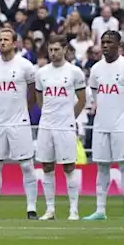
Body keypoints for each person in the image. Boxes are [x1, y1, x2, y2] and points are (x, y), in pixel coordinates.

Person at [0, 28, 39, 220]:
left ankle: (31, 209)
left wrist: (23, 112)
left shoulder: (26, 66)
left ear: (15, 43)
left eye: (6, 39)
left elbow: (32, 93)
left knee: (27, 166)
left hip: (19, 122)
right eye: (0, 39)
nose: (2, 42)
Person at [84, 31, 124, 222]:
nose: (105, 45)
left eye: (110, 42)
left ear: (118, 44)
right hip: (101, 125)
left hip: (122, 125)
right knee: (102, 167)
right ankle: (100, 210)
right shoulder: (96, 69)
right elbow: (94, 94)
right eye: (103, 42)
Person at [34, 35, 87, 221]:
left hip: (66, 126)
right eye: (51, 50)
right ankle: (50, 209)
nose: (53, 53)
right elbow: (39, 99)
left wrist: (69, 118)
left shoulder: (75, 72)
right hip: (46, 125)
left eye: (57, 49)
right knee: (47, 165)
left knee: (69, 166)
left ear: (65, 50)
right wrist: (48, 115)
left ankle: (74, 209)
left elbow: (82, 99)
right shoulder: (41, 73)